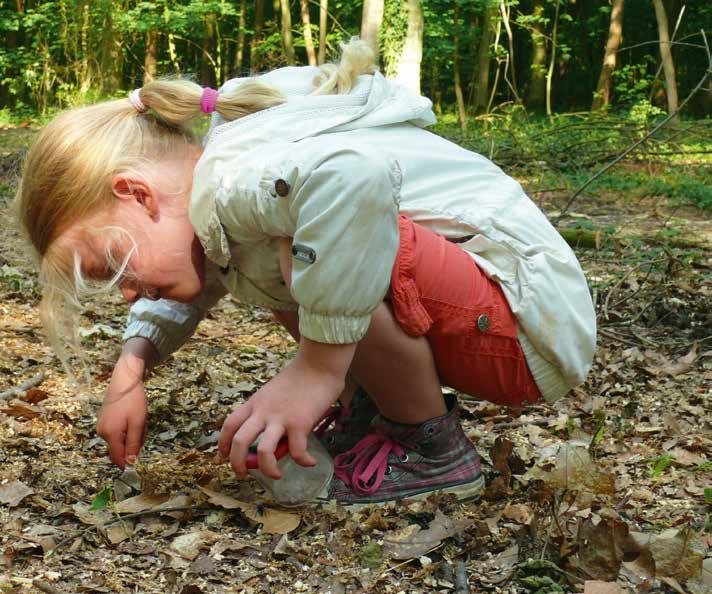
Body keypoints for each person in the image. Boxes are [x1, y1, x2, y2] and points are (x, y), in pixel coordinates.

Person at [15, 39, 596, 505]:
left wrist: (316, 368)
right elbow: (183, 283)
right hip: (488, 313)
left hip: (526, 326)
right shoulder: (213, 193)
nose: (126, 293)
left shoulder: (236, 182)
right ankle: (378, 418)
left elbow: (354, 178)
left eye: (113, 266)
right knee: (277, 253)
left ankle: (431, 449)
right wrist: (130, 369)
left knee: (296, 248)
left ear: (138, 195)